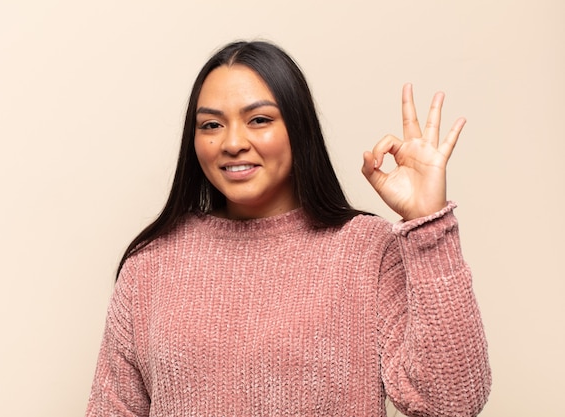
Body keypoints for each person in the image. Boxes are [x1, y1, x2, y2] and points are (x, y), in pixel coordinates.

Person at [85, 40, 491, 417]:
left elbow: (451, 402)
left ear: (298, 128)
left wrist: (428, 225)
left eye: (258, 119)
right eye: (211, 125)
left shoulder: (366, 250)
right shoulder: (151, 264)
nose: (232, 142)